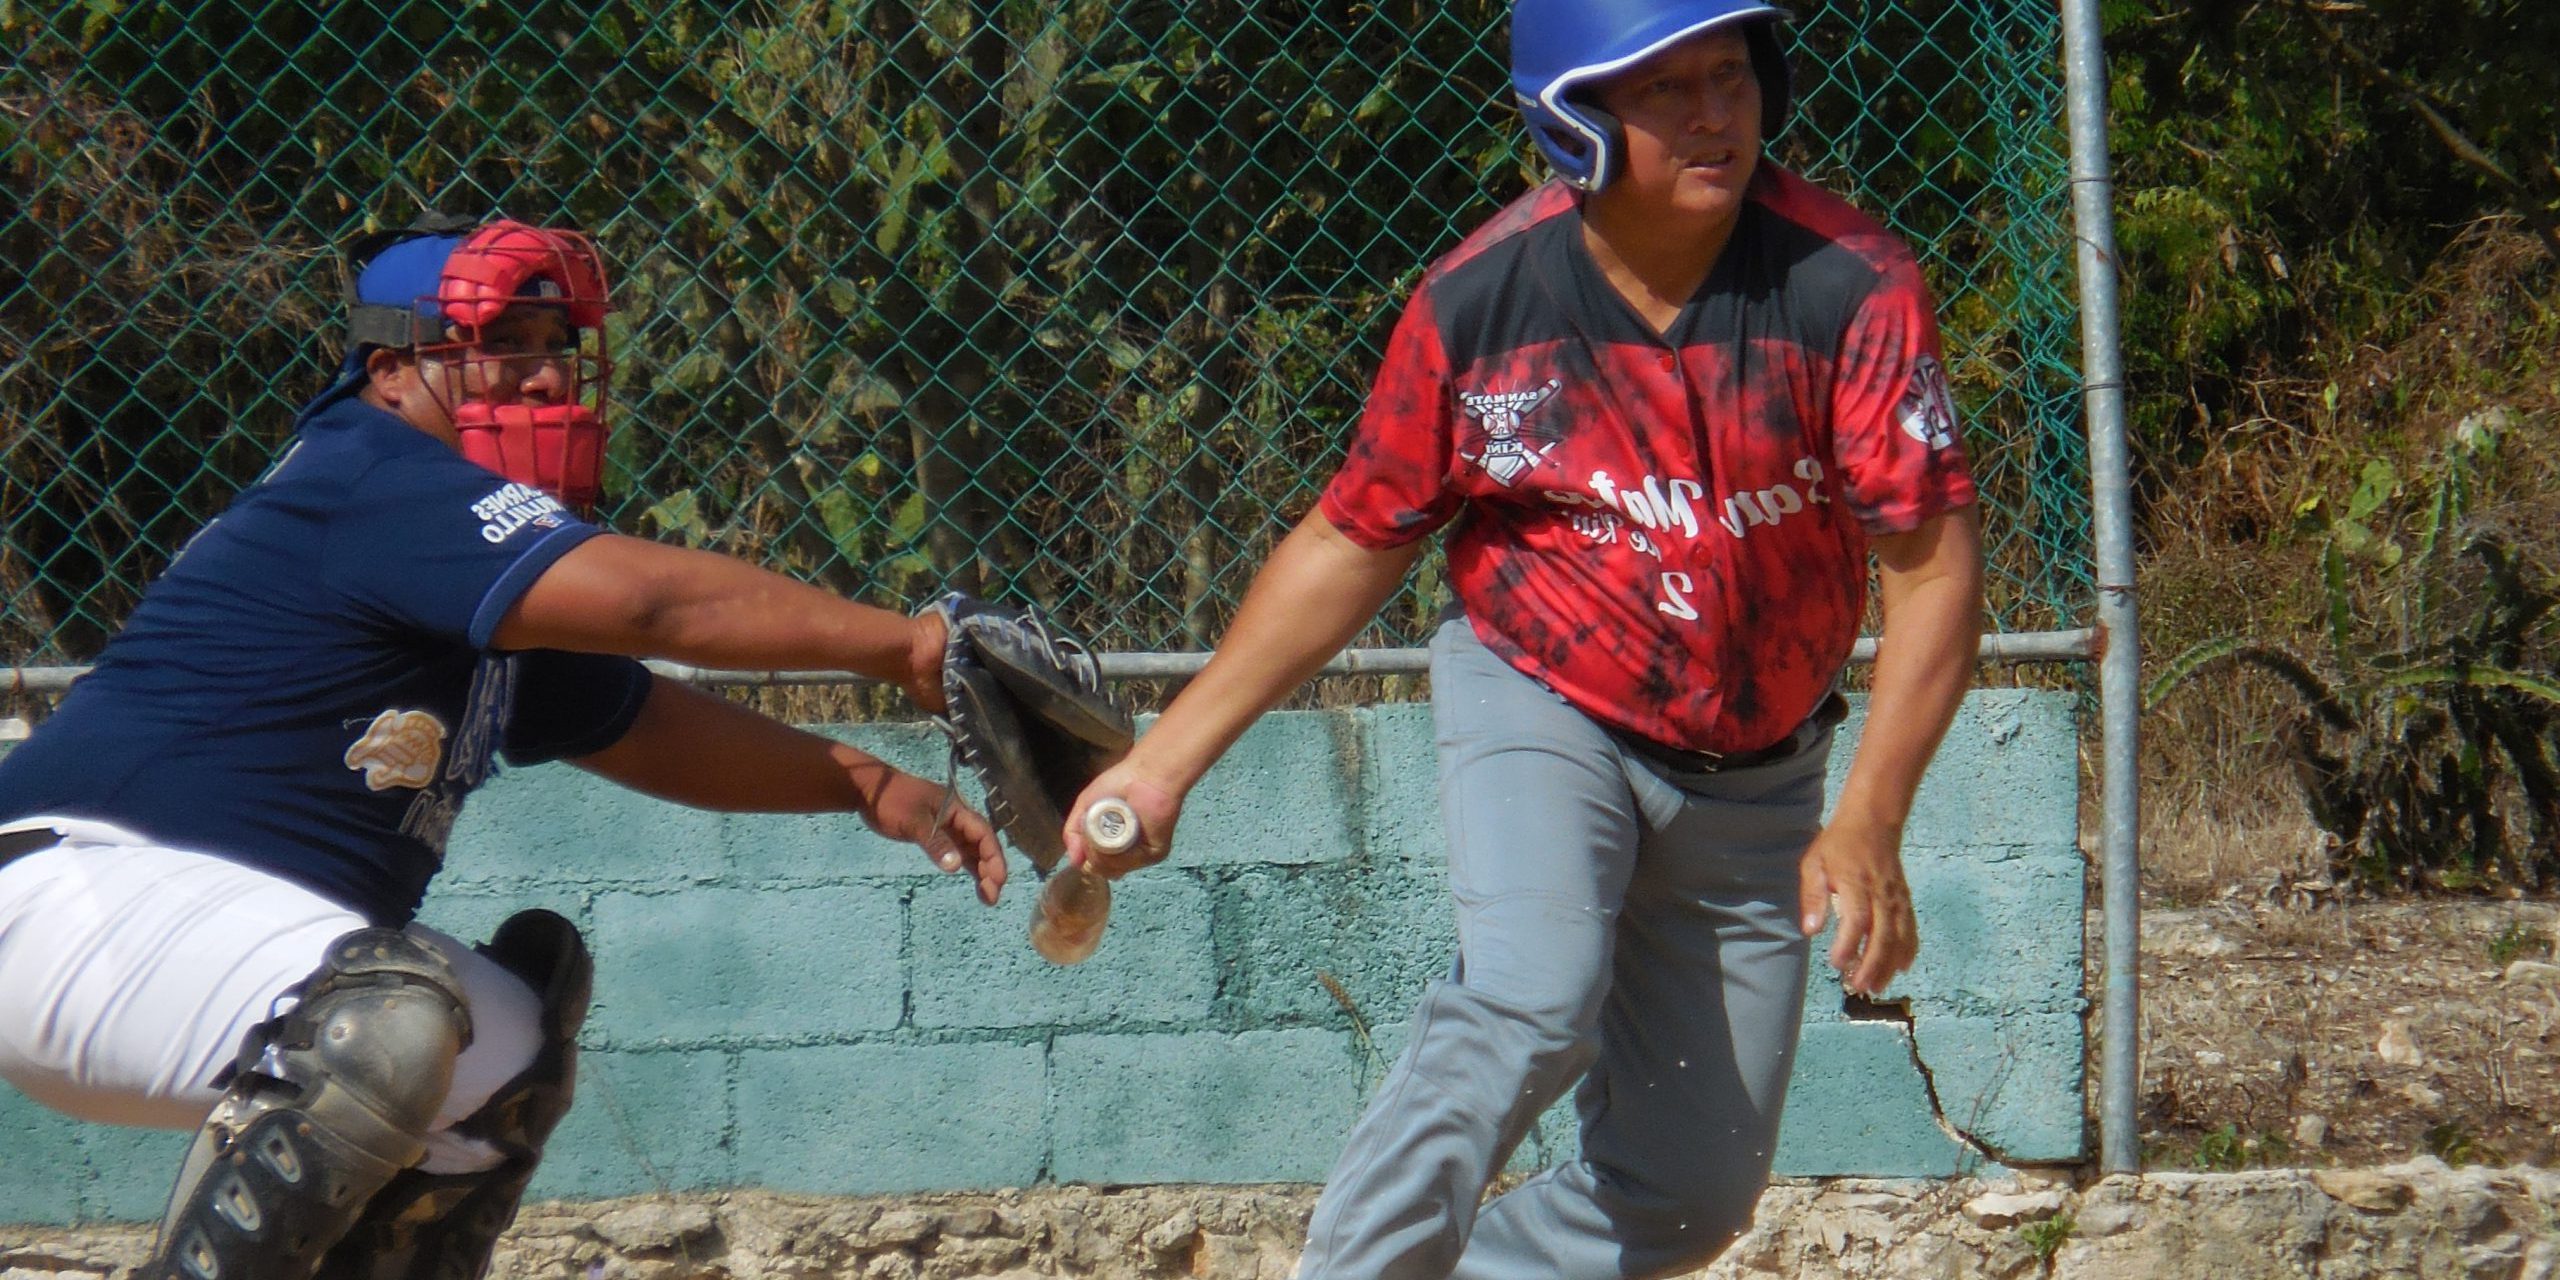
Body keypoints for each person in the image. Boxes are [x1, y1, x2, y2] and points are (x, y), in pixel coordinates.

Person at [1061, 2, 1986, 1276]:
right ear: (1573, 118)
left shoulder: (1845, 284)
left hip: (1757, 770)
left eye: (1730, 75)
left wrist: (1872, 809)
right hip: (1541, 691)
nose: (1713, 112)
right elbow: (1352, 538)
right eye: (1661, 90)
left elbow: (1930, 566)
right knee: (1532, 992)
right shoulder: (1480, 301)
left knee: (1689, 1191)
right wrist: (1163, 761)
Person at [0, 213, 1008, 1280]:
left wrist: (866, 783)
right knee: (390, 1018)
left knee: (509, 1042)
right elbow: (649, 603)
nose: (540, 378)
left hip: (192, 947)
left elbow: (641, 718)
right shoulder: (372, 475)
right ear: (389, 372)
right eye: (498, 344)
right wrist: (905, 643)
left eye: (553, 345)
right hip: (74, 902)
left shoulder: (459, 572)